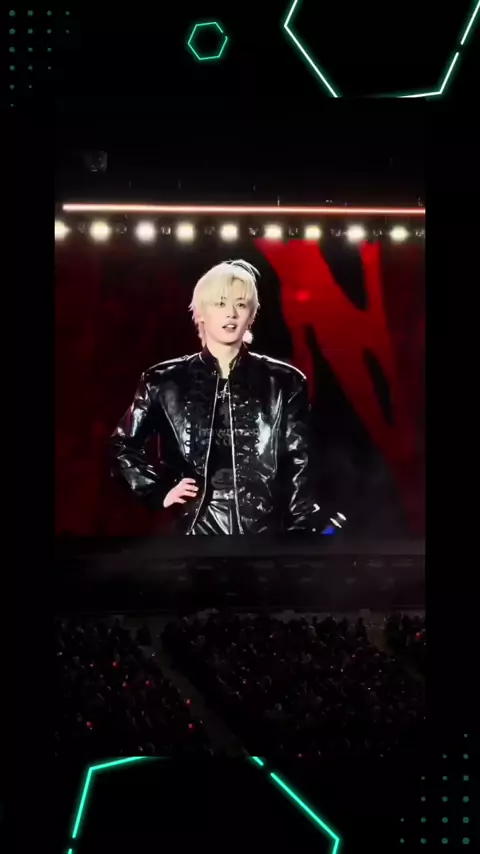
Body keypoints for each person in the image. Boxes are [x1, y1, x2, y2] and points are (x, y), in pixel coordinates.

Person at [110, 259, 336, 535]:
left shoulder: (284, 382)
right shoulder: (164, 381)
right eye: (220, 303)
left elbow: (300, 463)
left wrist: (299, 535)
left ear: (251, 315)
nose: (231, 313)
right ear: (201, 312)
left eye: (241, 304)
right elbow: (122, 445)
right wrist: (158, 492)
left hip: (264, 537)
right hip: (190, 533)